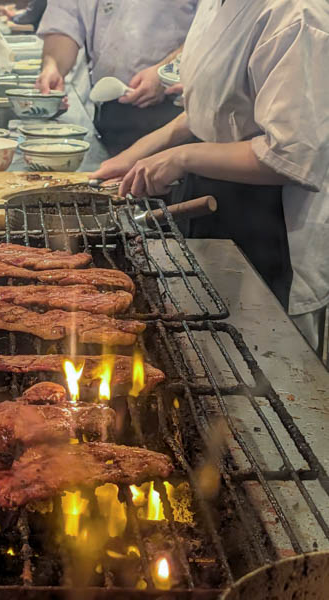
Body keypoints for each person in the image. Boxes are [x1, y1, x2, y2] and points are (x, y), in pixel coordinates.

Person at [92, 0, 329, 349]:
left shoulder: (296, 13)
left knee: (259, 361)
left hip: (270, 224)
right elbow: (210, 108)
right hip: (213, 201)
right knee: (202, 345)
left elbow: (290, 155)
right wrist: (136, 155)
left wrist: (183, 157)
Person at [35, 0, 197, 156]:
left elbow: (209, 31)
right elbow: (64, 21)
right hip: (111, 108)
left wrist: (165, 71)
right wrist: (53, 66)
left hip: (178, 109)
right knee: (109, 174)